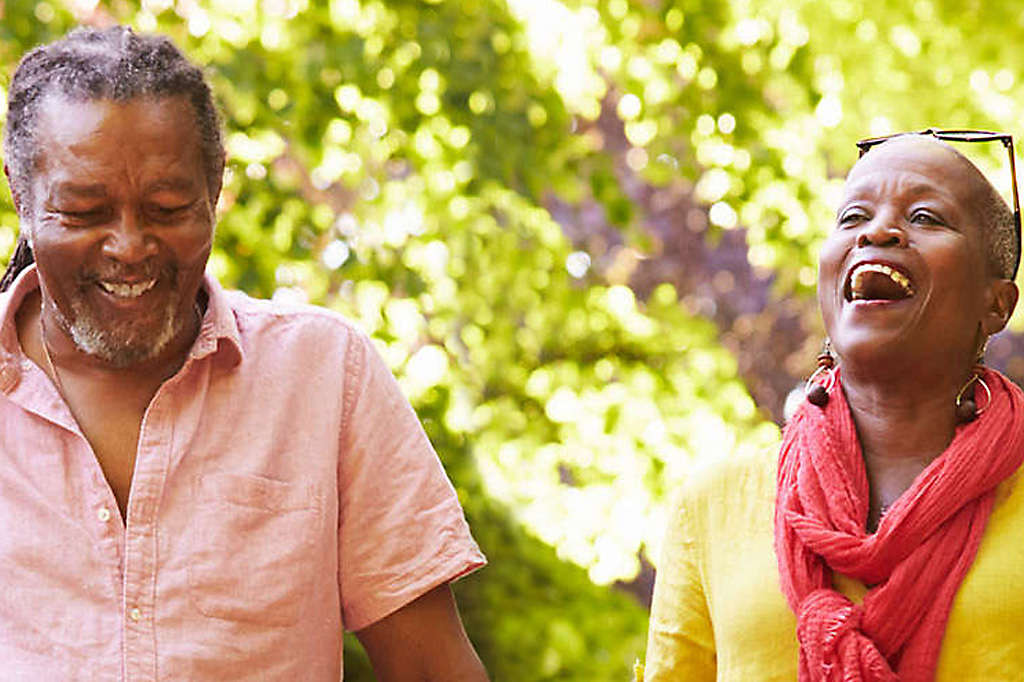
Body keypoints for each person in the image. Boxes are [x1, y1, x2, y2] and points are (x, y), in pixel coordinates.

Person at [0, 26, 489, 680]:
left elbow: (434, 669)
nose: (129, 245)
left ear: (215, 185)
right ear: (21, 196)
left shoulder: (323, 374)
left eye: (167, 207)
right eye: (84, 211)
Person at [642, 131, 1024, 680]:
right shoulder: (713, 505)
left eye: (924, 217)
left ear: (996, 303)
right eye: (851, 218)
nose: (879, 230)